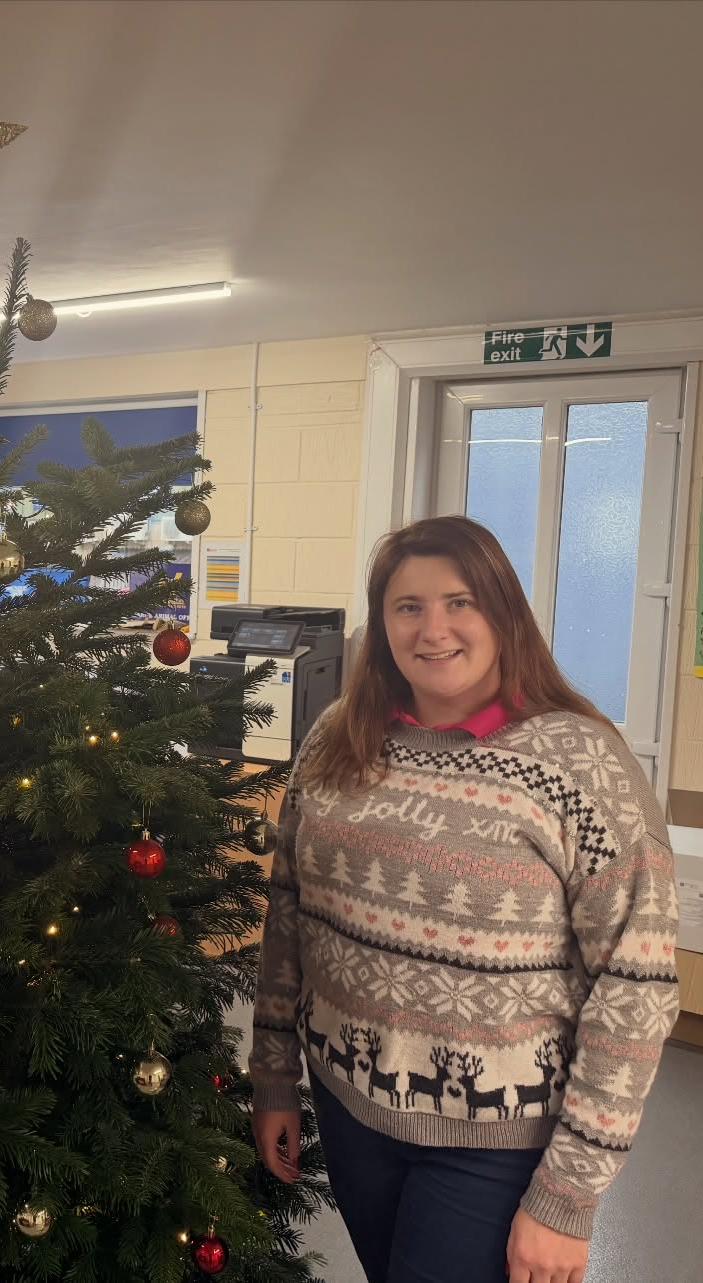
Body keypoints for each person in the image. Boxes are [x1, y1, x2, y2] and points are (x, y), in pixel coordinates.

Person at [249, 516, 679, 1283]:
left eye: (460, 602)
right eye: (408, 606)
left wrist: (568, 1192)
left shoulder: (582, 763)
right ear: (382, 623)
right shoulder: (336, 738)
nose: (434, 629)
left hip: (498, 1140)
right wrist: (275, 1072)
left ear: (503, 612)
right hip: (350, 1107)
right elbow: (287, 919)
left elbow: (635, 984)